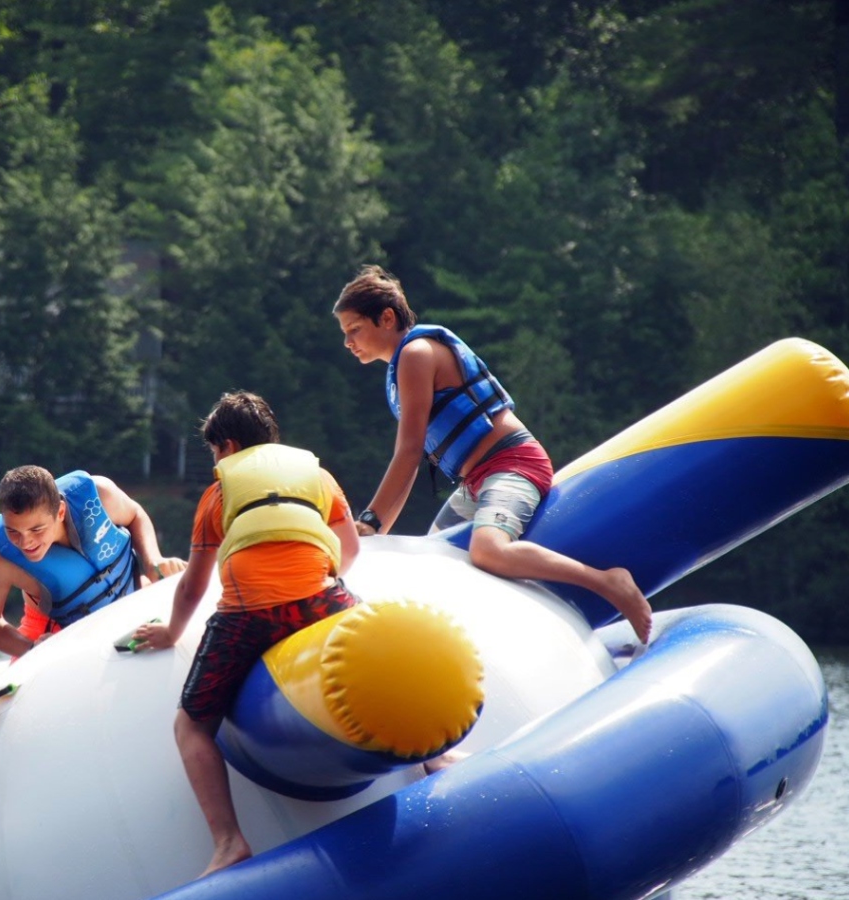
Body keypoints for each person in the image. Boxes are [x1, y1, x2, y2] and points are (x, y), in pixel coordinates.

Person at [333, 265, 652, 645]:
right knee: (436, 557)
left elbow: (410, 451)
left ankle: (607, 581)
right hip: (477, 481)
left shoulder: (417, 353)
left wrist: (370, 522)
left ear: (386, 318)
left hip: (513, 462)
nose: (348, 342)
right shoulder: (405, 363)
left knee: (488, 550)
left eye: (354, 330)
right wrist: (375, 528)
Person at [133, 391, 361, 877]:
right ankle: (438, 756)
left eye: (215, 451)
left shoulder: (218, 493)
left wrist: (172, 632)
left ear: (228, 446)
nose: (215, 461)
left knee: (190, 725)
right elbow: (350, 549)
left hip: (247, 614)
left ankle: (228, 841)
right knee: (386, 645)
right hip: (320, 600)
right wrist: (318, 582)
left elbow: (194, 583)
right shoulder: (317, 476)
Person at [0, 465, 187, 658]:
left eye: (37, 529)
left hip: (136, 599)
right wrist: (32, 649)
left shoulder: (100, 495)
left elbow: (135, 514)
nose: (25, 542)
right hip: (60, 637)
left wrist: (152, 559)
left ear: (60, 511)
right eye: (12, 531)